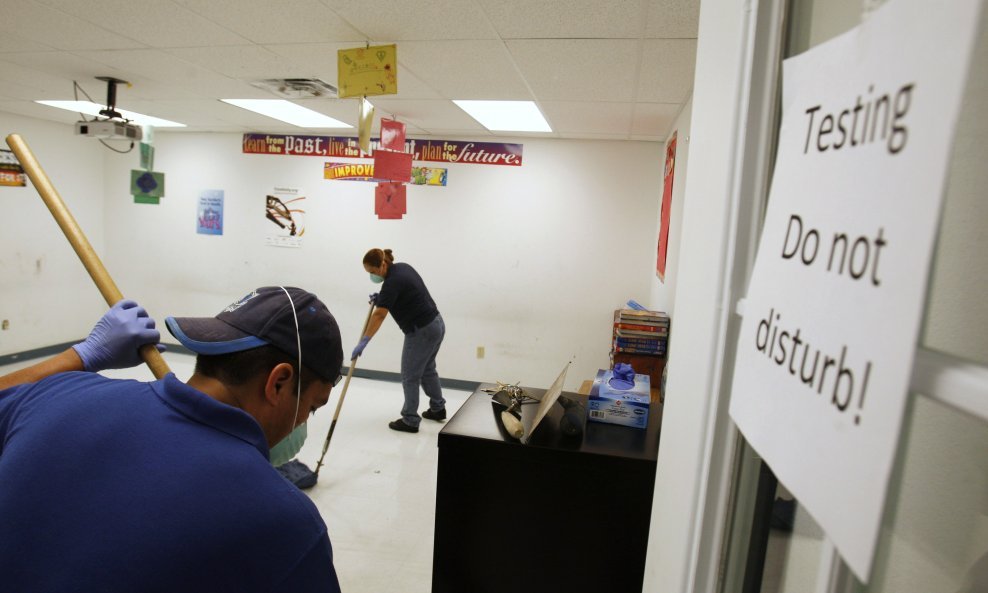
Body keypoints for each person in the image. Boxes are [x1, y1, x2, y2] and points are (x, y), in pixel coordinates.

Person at [0, 288, 345, 593]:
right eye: (312, 407)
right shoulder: (286, 525)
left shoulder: (59, 394)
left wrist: (80, 356)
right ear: (279, 382)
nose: (303, 422)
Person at [351, 248, 446, 433]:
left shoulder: (391, 284)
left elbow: (379, 315)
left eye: (372, 271)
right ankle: (438, 408)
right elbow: (405, 292)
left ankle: (410, 420)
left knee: (410, 375)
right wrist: (382, 298)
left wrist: (364, 340)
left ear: (382, 265)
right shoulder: (403, 268)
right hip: (436, 324)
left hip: (421, 330)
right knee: (428, 368)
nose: (372, 276)